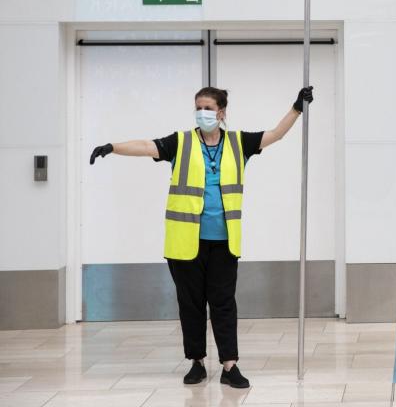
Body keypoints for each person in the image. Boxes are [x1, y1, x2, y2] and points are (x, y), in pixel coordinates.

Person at [89, 85, 314, 389]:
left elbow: (275, 135)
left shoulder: (238, 142)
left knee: (223, 303)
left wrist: (297, 108)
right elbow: (145, 145)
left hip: (224, 241)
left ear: (222, 112)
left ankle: (229, 365)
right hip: (185, 242)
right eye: (198, 107)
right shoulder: (180, 142)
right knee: (191, 304)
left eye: (208, 107)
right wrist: (112, 146)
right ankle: (196, 362)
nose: (202, 113)